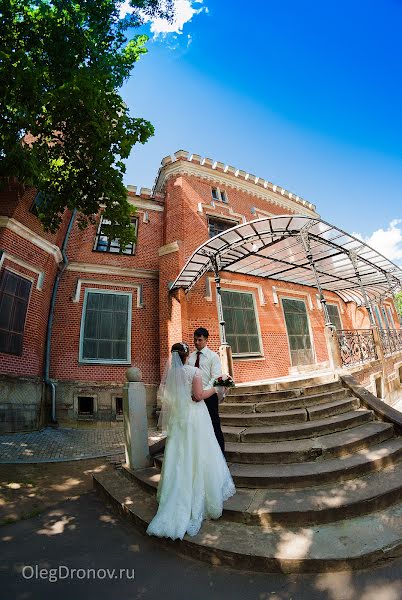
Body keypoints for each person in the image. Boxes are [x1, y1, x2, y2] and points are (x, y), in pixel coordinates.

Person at [146, 342, 235, 541]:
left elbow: (168, 399)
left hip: (179, 421)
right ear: (186, 355)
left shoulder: (170, 375)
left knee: (180, 456)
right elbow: (198, 395)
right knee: (200, 452)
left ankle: (175, 494)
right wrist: (218, 385)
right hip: (195, 418)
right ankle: (199, 494)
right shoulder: (193, 372)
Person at [189, 327, 226, 456]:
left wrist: (203, 393)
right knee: (198, 426)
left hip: (209, 396)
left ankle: (221, 454)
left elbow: (215, 378)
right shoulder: (191, 357)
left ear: (206, 340)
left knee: (214, 425)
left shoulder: (213, 357)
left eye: (199, 340)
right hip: (194, 398)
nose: (197, 342)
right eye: (195, 340)